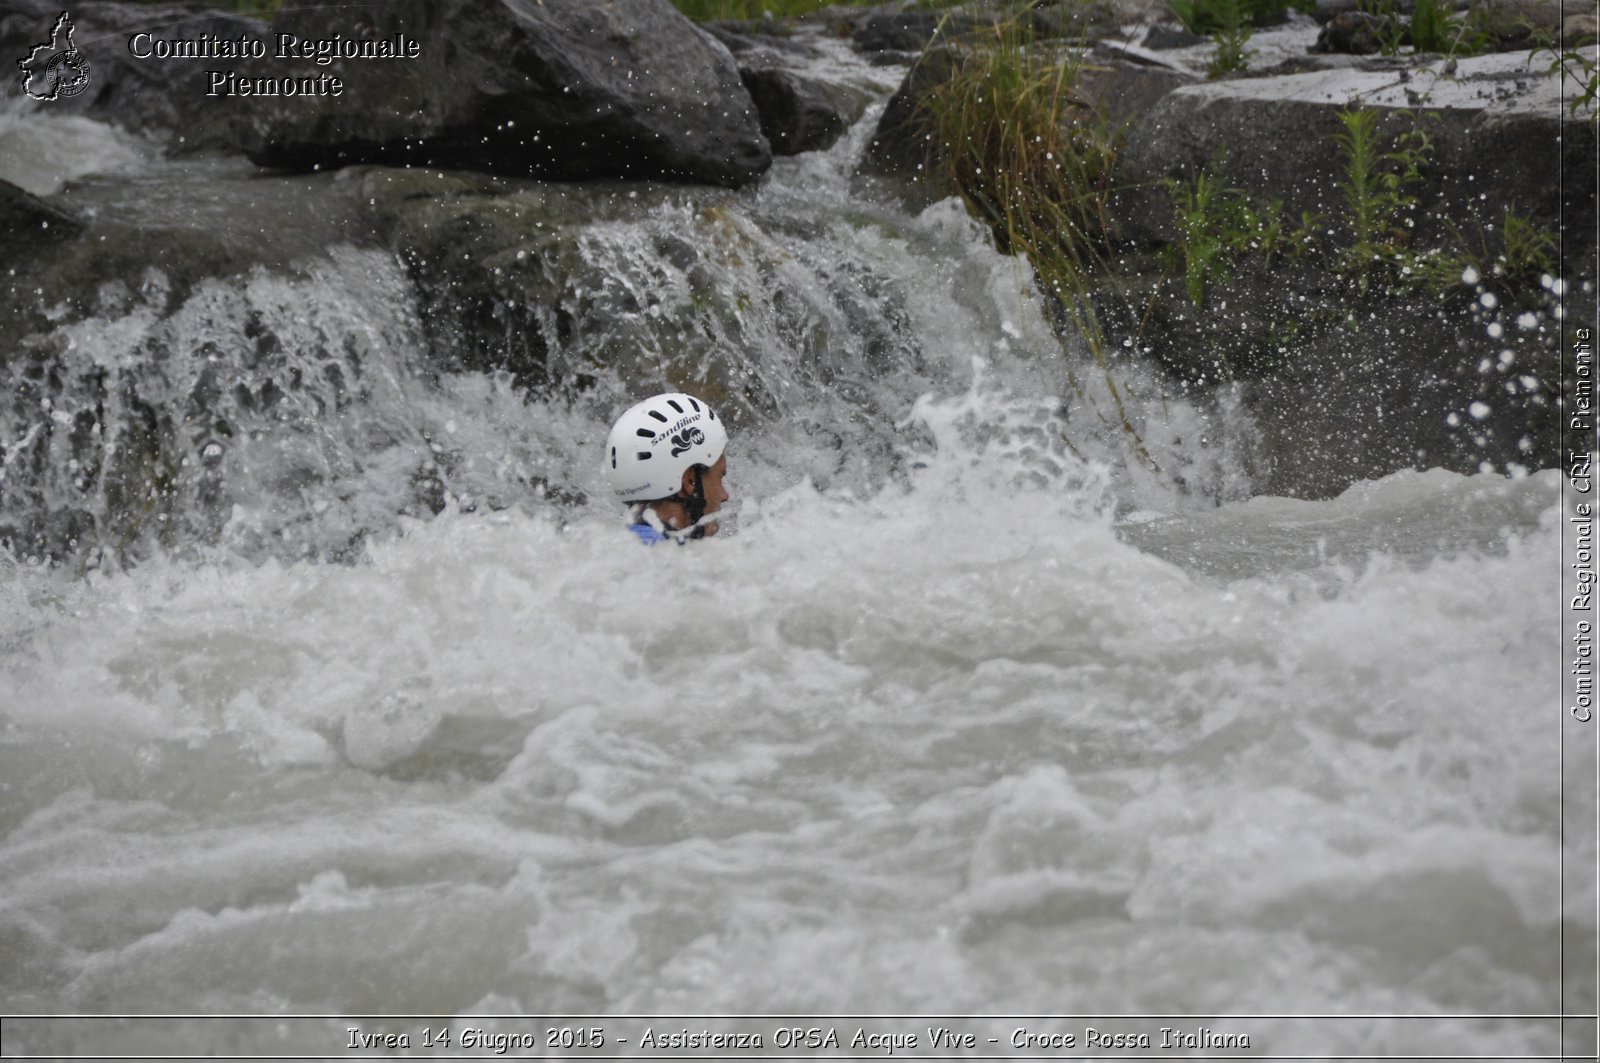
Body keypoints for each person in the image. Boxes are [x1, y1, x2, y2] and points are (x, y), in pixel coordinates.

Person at [603, 392, 730, 544]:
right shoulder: (672, 560)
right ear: (690, 482)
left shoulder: (618, 544)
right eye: (720, 477)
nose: (725, 496)